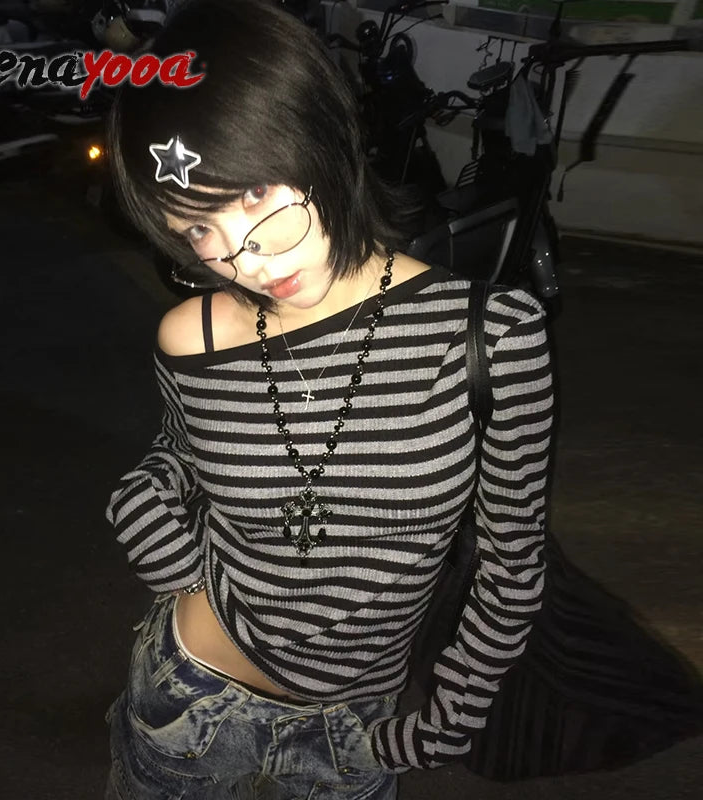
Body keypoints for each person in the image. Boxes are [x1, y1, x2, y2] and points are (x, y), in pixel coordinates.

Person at [102, 1, 552, 797]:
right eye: (197, 230)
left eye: (254, 194)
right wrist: (144, 501)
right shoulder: (191, 335)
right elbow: (180, 453)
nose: (242, 258)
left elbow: (511, 563)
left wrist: (449, 715)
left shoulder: (492, 335)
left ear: (320, 137)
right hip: (188, 698)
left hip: (357, 729)